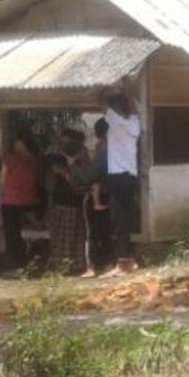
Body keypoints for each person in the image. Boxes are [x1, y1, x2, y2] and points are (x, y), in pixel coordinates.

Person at [103, 92, 141, 276]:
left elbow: (102, 102)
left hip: (117, 177)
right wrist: (130, 92)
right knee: (125, 219)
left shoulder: (114, 120)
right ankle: (128, 259)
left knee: (118, 221)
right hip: (130, 177)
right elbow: (133, 109)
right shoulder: (134, 124)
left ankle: (122, 262)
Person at [70, 118, 111, 278]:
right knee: (105, 231)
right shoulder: (118, 150)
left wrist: (72, 165)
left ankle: (93, 266)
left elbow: (87, 177)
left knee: (92, 233)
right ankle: (108, 263)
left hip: (97, 196)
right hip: (109, 195)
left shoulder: (103, 153)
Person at [0, 133, 41, 271]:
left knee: (12, 235)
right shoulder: (35, 161)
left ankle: (14, 264)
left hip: (11, 201)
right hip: (29, 201)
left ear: (23, 144)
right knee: (20, 233)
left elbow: (2, 179)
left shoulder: (10, 159)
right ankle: (26, 261)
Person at [45, 154, 85, 274]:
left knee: (72, 239)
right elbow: (49, 189)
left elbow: (78, 190)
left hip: (72, 209)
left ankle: (74, 266)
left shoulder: (73, 173)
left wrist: (65, 175)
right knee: (57, 240)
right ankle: (59, 266)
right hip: (58, 209)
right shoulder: (51, 177)